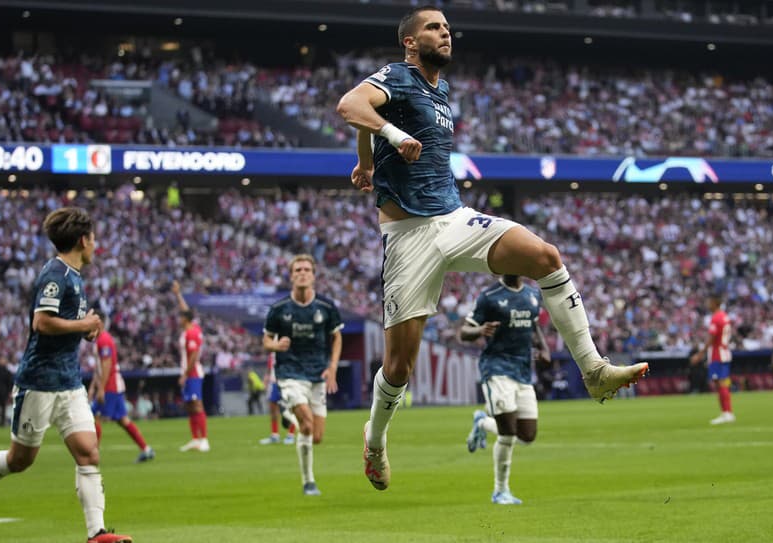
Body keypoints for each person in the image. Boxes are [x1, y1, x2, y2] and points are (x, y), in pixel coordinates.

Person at [335, 5, 649, 491]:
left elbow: (365, 119)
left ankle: (594, 370)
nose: (446, 33)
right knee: (398, 368)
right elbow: (350, 106)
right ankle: (375, 440)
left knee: (546, 256)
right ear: (410, 42)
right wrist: (392, 139)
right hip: (408, 238)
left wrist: (366, 161)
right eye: (434, 28)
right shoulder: (397, 75)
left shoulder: (441, 93)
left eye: (447, 27)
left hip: (456, 218)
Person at [0, 207, 132, 543]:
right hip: (39, 383)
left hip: (70, 383)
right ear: (81, 240)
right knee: (19, 460)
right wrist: (84, 325)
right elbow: (41, 322)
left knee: (89, 451)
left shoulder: (75, 276)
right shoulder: (55, 274)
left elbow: (63, 326)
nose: (95, 245)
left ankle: (97, 533)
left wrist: (84, 331)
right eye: (92, 238)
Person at [460, 275, 550, 505]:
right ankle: (500, 491)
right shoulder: (489, 297)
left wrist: (544, 348)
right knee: (508, 433)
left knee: (527, 436)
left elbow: (534, 325)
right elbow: (463, 332)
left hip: (522, 371)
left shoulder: (532, 295)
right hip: (496, 369)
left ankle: (481, 422)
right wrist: (481, 330)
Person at [263, 254, 343, 496]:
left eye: (307, 269)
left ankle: (289, 415)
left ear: (313, 275)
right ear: (291, 275)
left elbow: (337, 337)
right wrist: (276, 347)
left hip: (317, 373)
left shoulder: (326, 307)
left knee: (316, 436)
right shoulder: (278, 309)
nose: (302, 273)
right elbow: (266, 340)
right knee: (307, 426)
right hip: (290, 373)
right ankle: (309, 482)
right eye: (297, 269)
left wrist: (333, 369)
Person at [87, 309, 154, 463]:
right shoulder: (101, 339)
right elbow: (100, 368)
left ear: (99, 322)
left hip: (110, 386)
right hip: (112, 386)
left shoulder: (104, 340)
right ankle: (146, 449)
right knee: (123, 420)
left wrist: (101, 389)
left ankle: (92, 455)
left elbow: (106, 365)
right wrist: (93, 387)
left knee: (93, 417)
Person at [172, 281, 209, 452]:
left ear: (185, 319)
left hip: (193, 373)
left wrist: (185, 374)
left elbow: (194, 356)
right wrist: (178, 295)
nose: (178, 319)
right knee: (189, 405)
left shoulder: (192, 332)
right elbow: (185, 309)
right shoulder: (190, 328)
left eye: (180, 317)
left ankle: (204, 439)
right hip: (188, 372)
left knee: (197, 404)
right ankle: (195, 438)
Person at [690, 294, 735, 424]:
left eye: (709, 301)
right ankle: (726, 412)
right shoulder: (725, 316)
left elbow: (712, 339)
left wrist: (700, 354)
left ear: (715, 302)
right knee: (719, 383)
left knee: (720, 383)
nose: (707, 304)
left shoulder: (716, 318)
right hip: (724, 352)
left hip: (718, 354)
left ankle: (727, 413)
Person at [259, 351, 298, 445]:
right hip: (274, 382)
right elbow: (270, 368)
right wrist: (266, 380)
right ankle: (274, 435)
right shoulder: (272, 353)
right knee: (273, 408)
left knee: (291, 409)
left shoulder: (289, 349)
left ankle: (290, 435)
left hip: (288, 381)